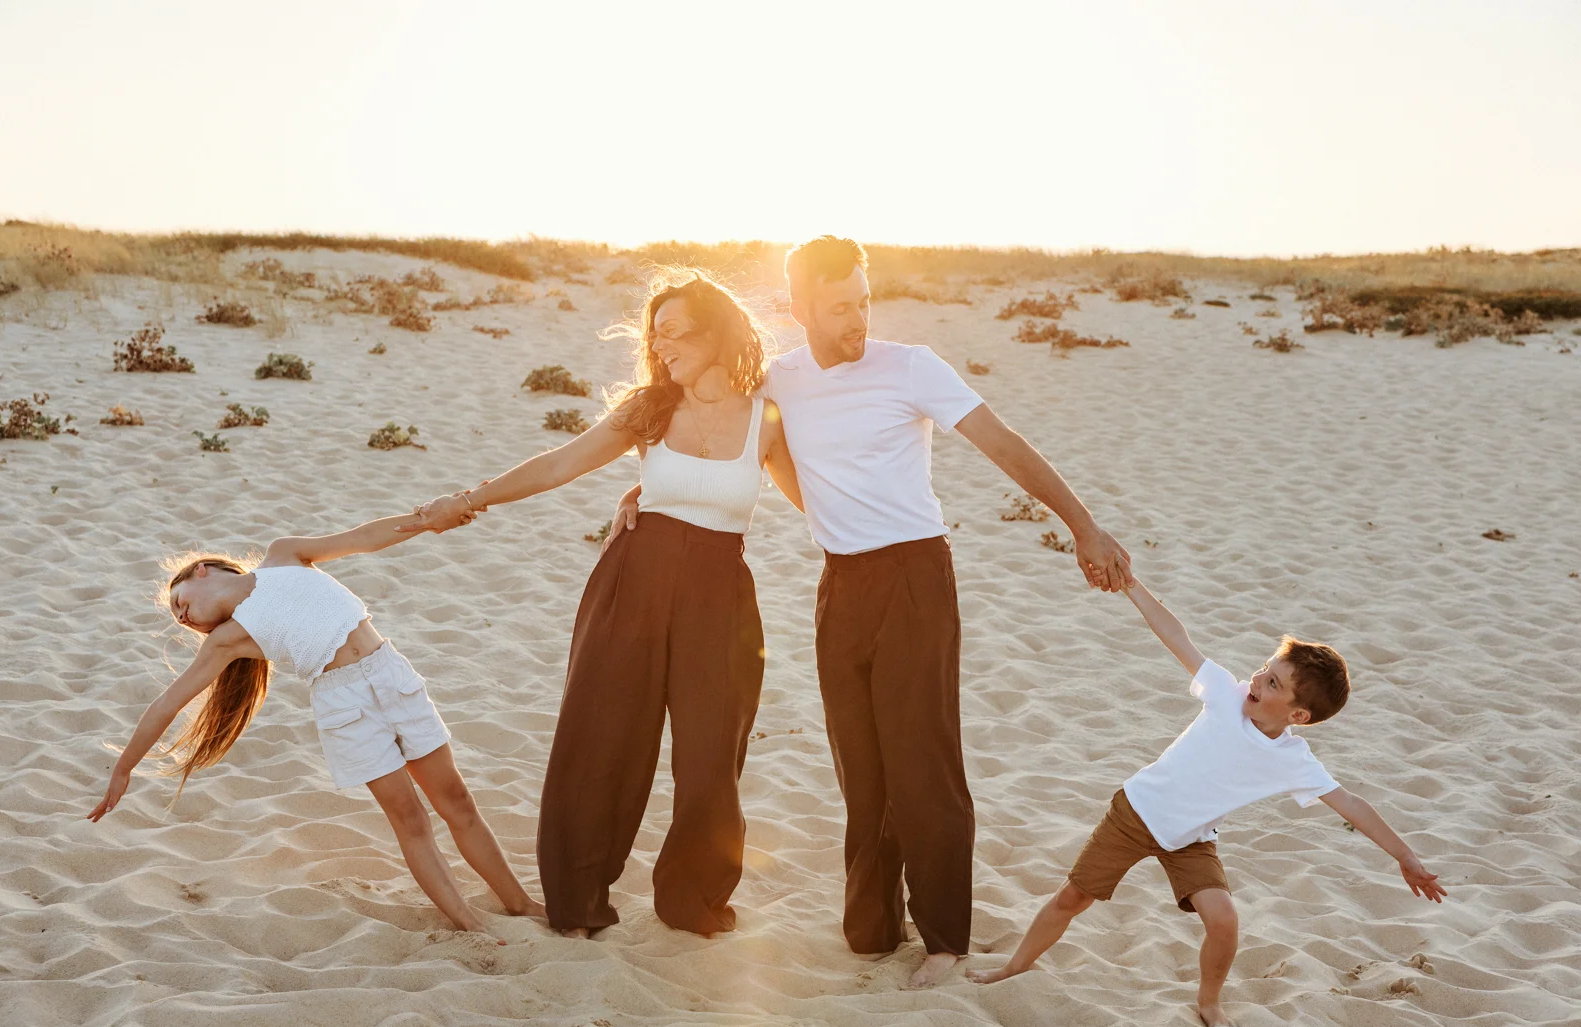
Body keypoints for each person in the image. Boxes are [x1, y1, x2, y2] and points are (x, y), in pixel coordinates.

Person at [610, 236, 1134, 987]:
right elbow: (722, 434)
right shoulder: (782, 382)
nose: (858, 318)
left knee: (923, 761)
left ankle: (946, 938)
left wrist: (1083, 525)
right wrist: (649, 492)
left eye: (863, 300)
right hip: (840, 586)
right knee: (861, 765)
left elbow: (1004, 445)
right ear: (800, 309)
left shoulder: (911, 366)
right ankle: (875, 924)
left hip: (916, 575)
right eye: (840, 307)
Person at [399, 270, 802, 937]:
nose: (661, 344)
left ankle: (691, 901)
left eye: (674, 330)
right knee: (602, 742)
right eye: (655, 333)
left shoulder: (768, 415)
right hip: (633, 581)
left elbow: (812, 500)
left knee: (710, 759)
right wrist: (468, 499)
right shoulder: (651, 409)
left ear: (715, 329)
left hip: (720, 594)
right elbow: (560, 463)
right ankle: (579, 900)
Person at [968, 576, 1446, 1027]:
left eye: (1273, 684)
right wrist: (1132, 587)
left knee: (1224, 920)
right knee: (1073, 897)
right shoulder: (1225, 694)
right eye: (1266, 669)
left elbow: (1352, 804)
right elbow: (1177, 637)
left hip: (1192, 839)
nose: (1258, 680)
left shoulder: (1292, 759)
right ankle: (1013, 966)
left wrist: (1404, 856)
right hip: (1135, 814)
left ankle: (1209, 1003)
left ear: (1298, 715)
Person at [87, 519, 545, 939]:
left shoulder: (283, 556)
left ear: (202, 570)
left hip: (390, 674)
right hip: (343, 704)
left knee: (457, 802)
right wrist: (125, 767)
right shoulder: (229, 640)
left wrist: (427, 520)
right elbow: (169, 702)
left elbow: (363, 539)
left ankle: (521, 904)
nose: (183, 619)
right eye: (179, 621)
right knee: (411, 820)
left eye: (179, 603)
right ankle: (467, 920)